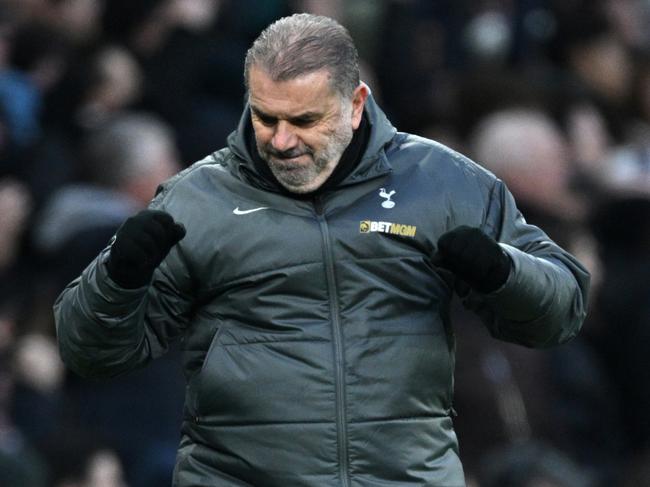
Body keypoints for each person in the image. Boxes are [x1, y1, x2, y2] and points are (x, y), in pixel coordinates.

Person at [54, 13, 590, 487]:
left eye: (305, 120)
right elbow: (91, 353)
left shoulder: (444, 183)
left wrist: (503, 273)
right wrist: (116, 280)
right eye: (266, 117)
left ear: (356, 104)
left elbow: (561, 310)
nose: (282, 140)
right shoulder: (198, 200)